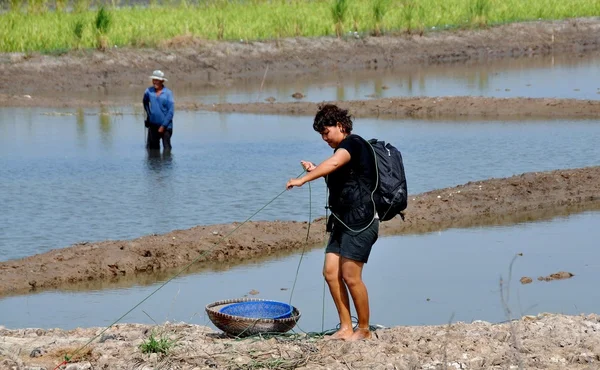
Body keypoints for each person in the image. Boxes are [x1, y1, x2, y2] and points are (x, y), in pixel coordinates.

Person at [286, 104, 379, 341]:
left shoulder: (354, 144)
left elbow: (335, 163)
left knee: (350, 276)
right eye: (321, 135)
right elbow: (337, 171)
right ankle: (346, 327)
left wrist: (304, 179)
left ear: (340, 125)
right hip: (341, 221)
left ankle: (364, 330)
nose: (324, 138)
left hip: (361, 221)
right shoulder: (342, 150)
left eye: (326, 132)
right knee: (330, 272)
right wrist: (317, 169)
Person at [143, 70, 174, 151]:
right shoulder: (148, 91)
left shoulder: (168, 93)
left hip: (166, 127)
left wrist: (163, 126)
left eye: (157, 80)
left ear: (162, 81)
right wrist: (149, 116)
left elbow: (170, 112)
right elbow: (145, 102)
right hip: (153, 126)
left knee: (167, 149)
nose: (155, 82)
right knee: (153, 150)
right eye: (154, 80)